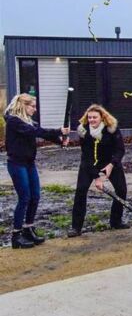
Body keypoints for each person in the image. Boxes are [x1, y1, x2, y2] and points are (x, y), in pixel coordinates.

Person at [4, 94, 69, 248]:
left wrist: (61, 141)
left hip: (29, 164)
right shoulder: (14, 121)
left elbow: (40, 132)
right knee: (24, 197)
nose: (35, 109)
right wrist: (59, 130)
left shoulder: (29, 122)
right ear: (23, 105)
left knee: (35, 196)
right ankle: (16, 235)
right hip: (16, 164)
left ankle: (28, 229)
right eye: (32, 106)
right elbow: (35, 132)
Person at [69, 104, 129, 236]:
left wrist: (111, 165)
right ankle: (76, 227)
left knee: (121, 190)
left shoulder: (112, 129)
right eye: (89, 117)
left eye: (94, 117)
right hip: (89, 164)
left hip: (110, 163)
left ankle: (116, 221)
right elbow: (87, 155)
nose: (92, 120)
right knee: (81, 191)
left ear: (102, 117)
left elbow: (120, 150)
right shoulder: (83, 131)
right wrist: (97, 177)